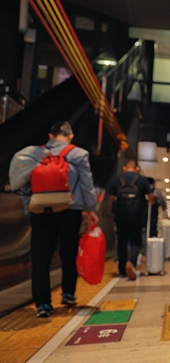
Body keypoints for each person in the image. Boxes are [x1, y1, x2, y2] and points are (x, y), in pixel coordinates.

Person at [18, 121, 99, 318]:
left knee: (40, 258)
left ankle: (43, 304)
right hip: (69, 211)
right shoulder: (79, 154)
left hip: (41, 211)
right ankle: (68, 293)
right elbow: (87, 185)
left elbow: (23, 184)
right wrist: (90, 209)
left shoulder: (35, 154)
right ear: (70, 136)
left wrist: (30, 207)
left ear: (51, 136)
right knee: (68, 253)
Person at [108, 160, 154, 280]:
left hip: (120, 216)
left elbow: (111, 198)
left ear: (124, 168)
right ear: (137, 169)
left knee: (121, 242)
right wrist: (150, 202)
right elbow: (151, 196)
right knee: (136, 241)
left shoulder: (117, 180)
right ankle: (131, 263)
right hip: (136, 216)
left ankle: (122, 270)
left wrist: (112, 212)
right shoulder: (142, 180)